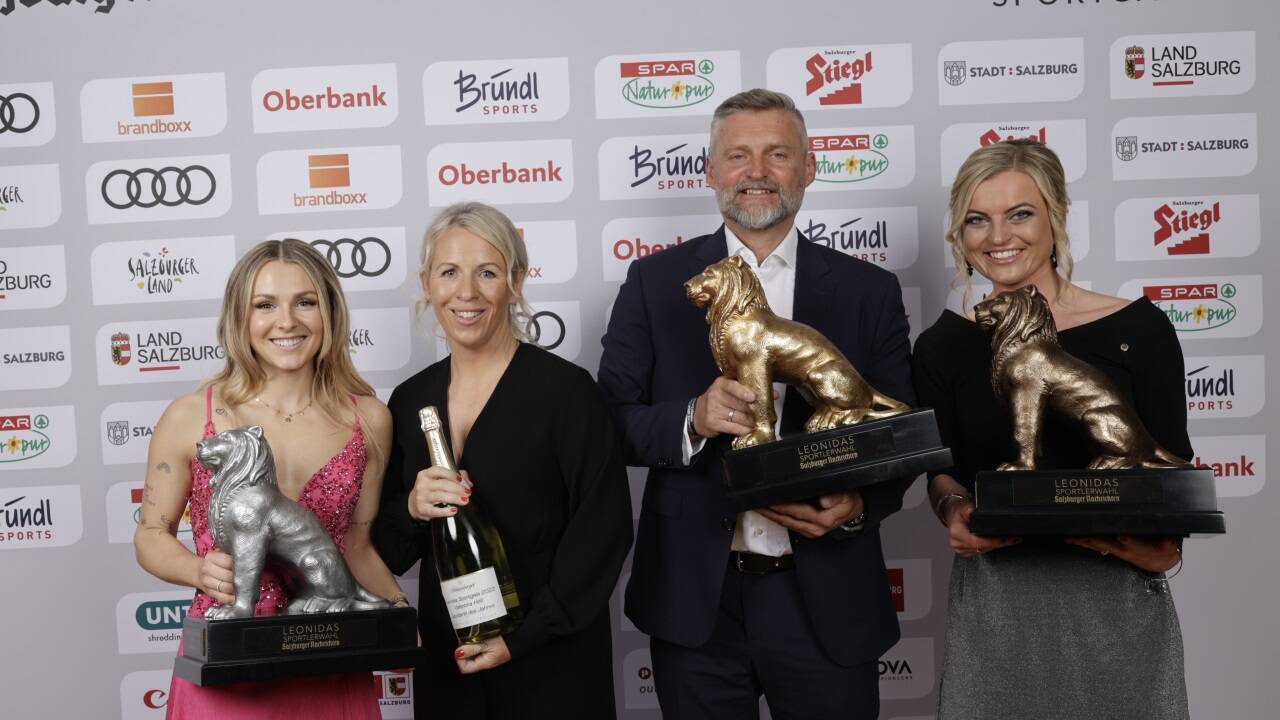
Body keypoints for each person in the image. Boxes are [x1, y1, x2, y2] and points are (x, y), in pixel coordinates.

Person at [598, 89, 915, 719]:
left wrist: (859, 507)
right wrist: (692, 418)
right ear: (710, 170)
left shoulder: (869, 290)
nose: (757, 171)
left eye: (778, 153)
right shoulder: (654, 284)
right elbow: (609, 421)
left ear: (809, 167)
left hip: (828, 597)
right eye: (738, 155)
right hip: (698, 605)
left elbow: (903, 433)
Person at [913, 139, 1190, 720]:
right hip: (996, 612)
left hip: (1117, 610)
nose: (998, 236)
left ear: (1056, 215)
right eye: (977, 219)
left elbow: (1173, 469)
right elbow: (942, 473)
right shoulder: (942, 346)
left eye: (1019, 213)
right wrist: (953, 510)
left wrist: (1163, 546)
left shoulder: (1139, 329)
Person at [372, 202, 632, 720]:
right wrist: (413, 509)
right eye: (449, 272)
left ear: (515, 281)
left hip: (552, 663)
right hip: (453, 663)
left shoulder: (566, 392)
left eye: (487, 273)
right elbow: (388, 550)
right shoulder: (409, 400)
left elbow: (603, 532)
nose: (466, 292)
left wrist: (524, 639)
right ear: (427, 283)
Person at [134, 239, 404, 719]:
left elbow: (357, 546)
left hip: (329, 661)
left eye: (305, 302)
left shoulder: (370, 419)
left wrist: (398, 613)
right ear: (240, 317)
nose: (287, 321)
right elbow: (151, 534)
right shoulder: (190, 416)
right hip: (226, 667)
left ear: (330, 312)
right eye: (265, 305)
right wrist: (197, 571)